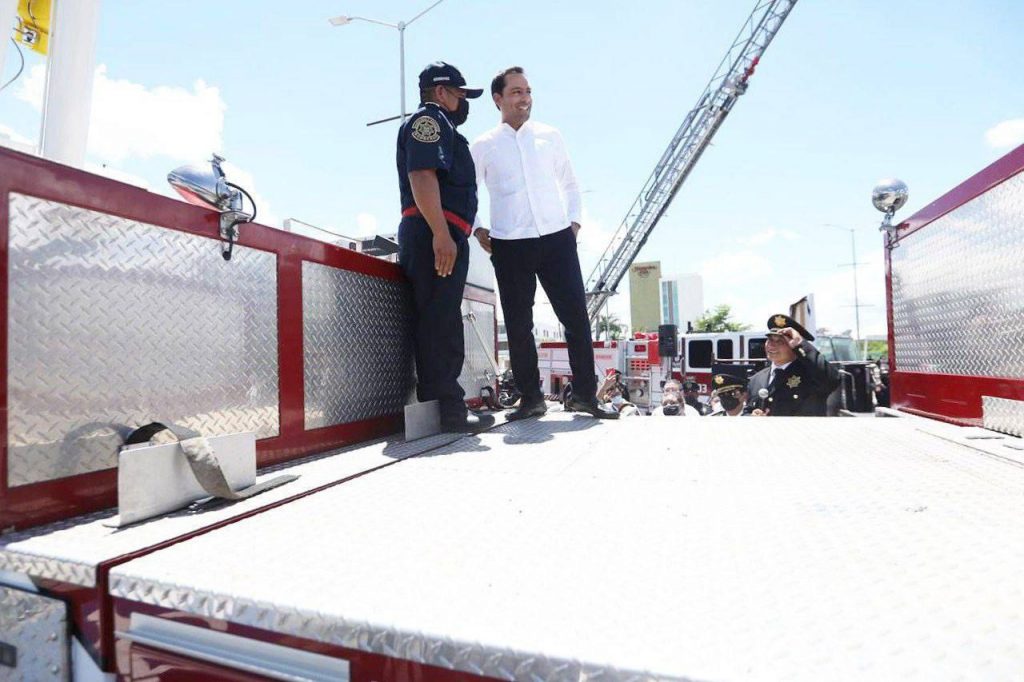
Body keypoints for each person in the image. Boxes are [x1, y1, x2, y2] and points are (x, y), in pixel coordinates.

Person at [470, 66, 616, 421]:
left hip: (556, 239)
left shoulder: (550, 136)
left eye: (528, 91)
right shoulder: (483, 145)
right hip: (509, 243)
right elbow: (469, 192)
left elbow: (570, 183)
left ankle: (585, 396)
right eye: (516, 92)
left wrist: (574, 223)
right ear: (498, 99)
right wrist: (477, 228)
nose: (525, 98)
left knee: (576, 318)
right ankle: (531, 399)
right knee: (519, 324)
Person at [396, 61, 493, 432]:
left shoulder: (444, 126)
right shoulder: (430, 121)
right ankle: (448, 412)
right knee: (440, 321)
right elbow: (422, 175)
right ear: (440, 92)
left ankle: (444, 408)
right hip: (435, 233)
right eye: (460, 94)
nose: (464, 102)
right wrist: (440, 233)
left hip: (443, 233)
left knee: (442, 318)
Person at [745, 314, 840, 416]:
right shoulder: (756, 379)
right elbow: (747, 411)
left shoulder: (811, 375)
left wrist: (800, 344)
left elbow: (832, 379)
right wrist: (752, 416)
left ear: (794, 345)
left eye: (780, 341)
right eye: (770, 339)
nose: (771, 345)